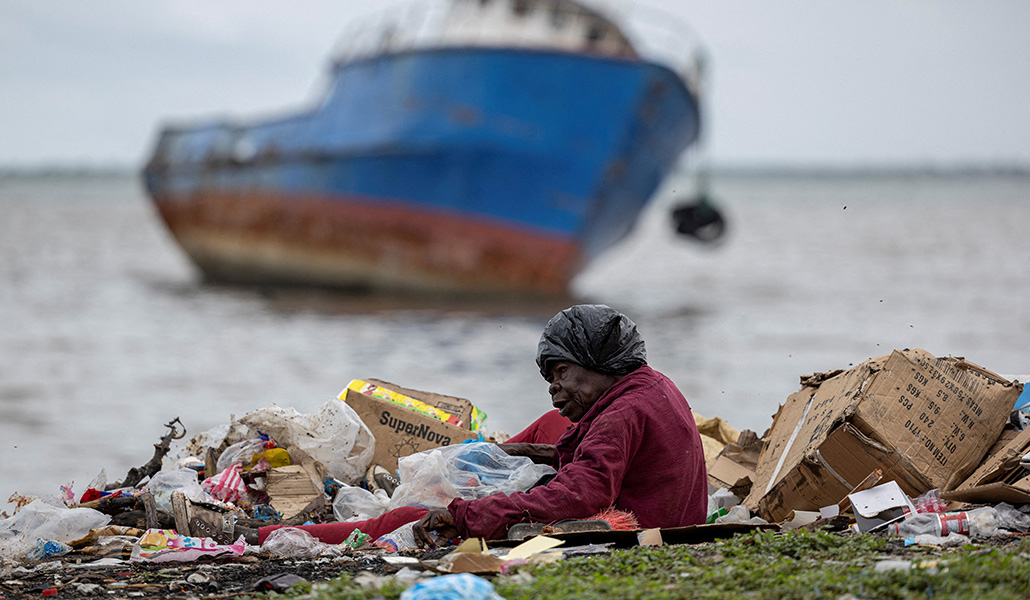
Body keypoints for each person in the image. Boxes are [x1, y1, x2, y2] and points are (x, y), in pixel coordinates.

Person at [175, 304, 708, 547]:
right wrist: (528, 456)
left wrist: (468, 515)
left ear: (598, 360)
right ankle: (480, 462)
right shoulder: (650, 388)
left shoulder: (619, 415)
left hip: (631, 531)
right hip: (669, 515)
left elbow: (582, 493)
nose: (555, 387)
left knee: (407, 515)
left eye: (563, 372)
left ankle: (252, 533)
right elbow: (589, 464)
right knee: (548, 427)